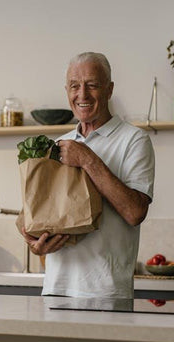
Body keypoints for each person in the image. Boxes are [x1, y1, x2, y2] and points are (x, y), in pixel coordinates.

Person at [21, 52, 155, 299]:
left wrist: (87, 159)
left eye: (92, 85)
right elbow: (41, 210)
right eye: (74, 86)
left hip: (106, 293)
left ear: (109, 89)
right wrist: (34, 241)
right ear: (67, 90)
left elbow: (135, 213)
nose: (82, 95)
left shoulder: (134, 140)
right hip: (56, 290)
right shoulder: (60, 143)